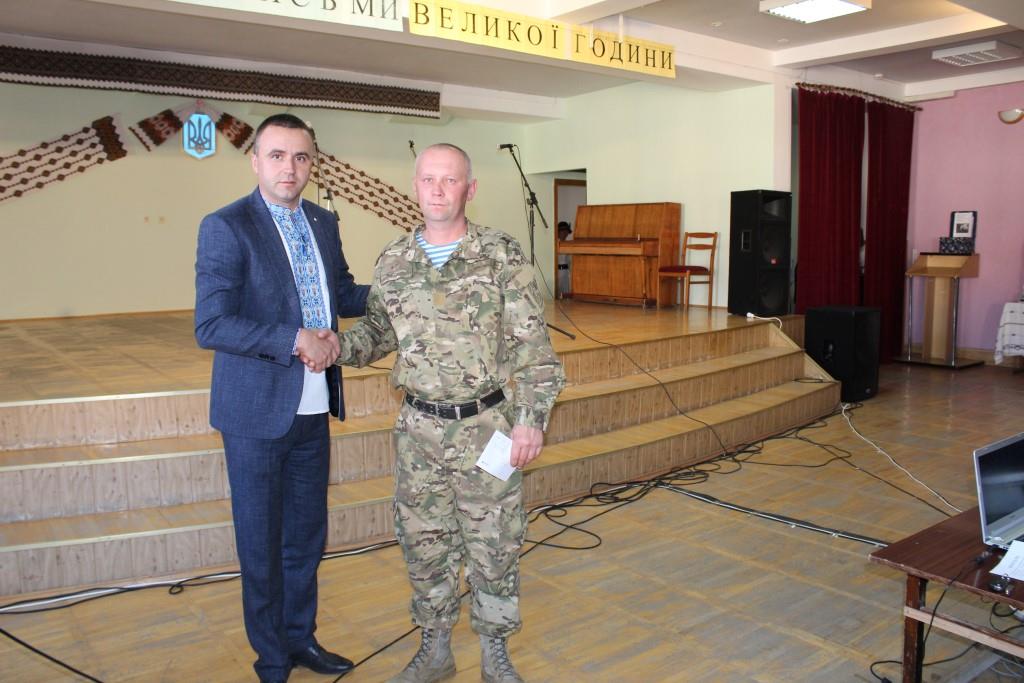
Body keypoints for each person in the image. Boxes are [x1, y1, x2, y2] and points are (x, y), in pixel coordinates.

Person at [334, 143, 565, 683]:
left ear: (470, 189)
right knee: (423, 542)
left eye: (450, 180)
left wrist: (530, 419)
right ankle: (435, 649)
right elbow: (379, 333)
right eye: (428, 180)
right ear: (415, 186)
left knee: (495, 543)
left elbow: (534, 349)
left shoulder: (501, 255)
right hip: (417, 431)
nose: (437, 190)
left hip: (487, 428)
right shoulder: (394, 260)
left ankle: (495, 654)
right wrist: (334, 347)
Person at [194, 113, 368, 683]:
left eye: (300, 157)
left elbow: (342, 293)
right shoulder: (226, 226)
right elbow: (211, 324)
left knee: (305, 539)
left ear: (311, 163)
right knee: (261, 543)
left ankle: (301, 639)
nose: (289, 168)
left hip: (314, 407)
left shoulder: (323, 221)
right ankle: (271, 658)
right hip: (255, 413)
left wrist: (405, 285)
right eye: (276, 155)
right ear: (255, 161)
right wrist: (294, 339)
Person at [556, 221, 572, 298]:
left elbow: (570, 261)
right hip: (557, 271)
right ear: (558, 232)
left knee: (566, 294)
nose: (565, 233)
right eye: (562, 231)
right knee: (556, 294)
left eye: (566, 231)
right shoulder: (554, 244)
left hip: (565, 272)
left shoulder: (569, 244)